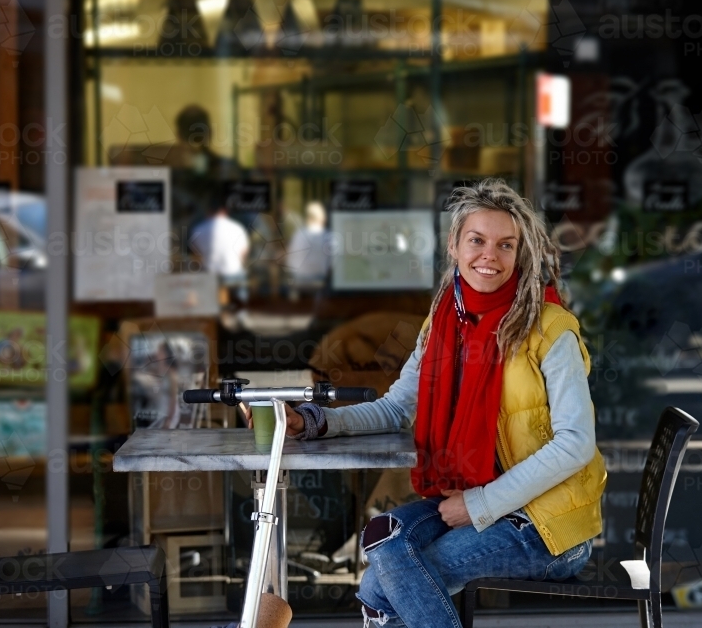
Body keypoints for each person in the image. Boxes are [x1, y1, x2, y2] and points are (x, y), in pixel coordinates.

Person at [250, 179, 606, 628]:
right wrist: (314, 422)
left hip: (549, 525)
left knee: (384, 583)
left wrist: (479, 505)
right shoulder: (442, 324)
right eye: (476, 240)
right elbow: (397, 407)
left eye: (505, 245)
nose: (489, 257)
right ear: (455, 246)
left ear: (521, 255)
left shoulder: (551, 329)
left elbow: (575, 444)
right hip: (475, 499)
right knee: (382, 538)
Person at [189, 189, 250, 278]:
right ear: (226, 210)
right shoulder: (238, 228)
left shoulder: (198, 228)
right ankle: (242, 292)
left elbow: (195, 255)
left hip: (209, 276)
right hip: (234, 275)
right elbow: (244, 253)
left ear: (208, 210)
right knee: (242, 280)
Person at [283, 200, 330, 283]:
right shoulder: (327, 235)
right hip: (321, 279)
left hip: (301, 278)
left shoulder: (300, 234)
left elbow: (290, 262)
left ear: (309, 218)